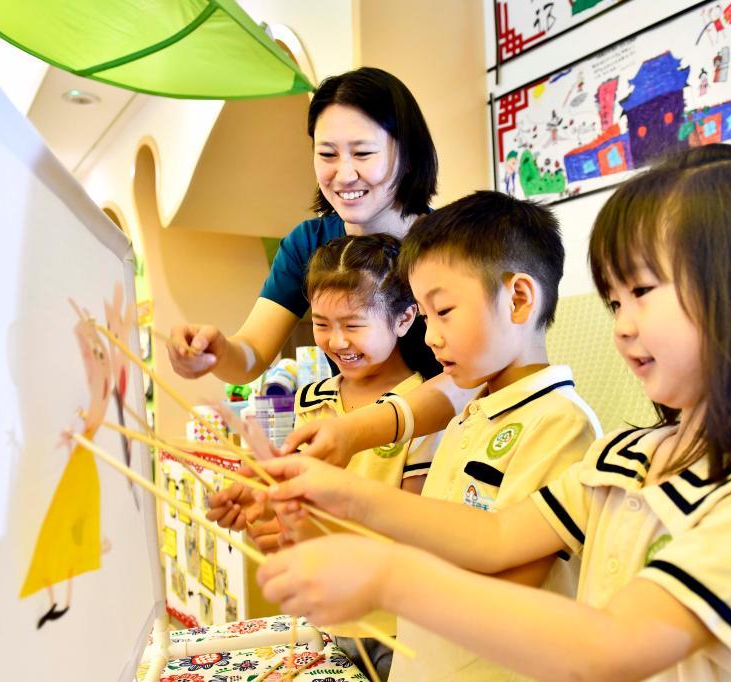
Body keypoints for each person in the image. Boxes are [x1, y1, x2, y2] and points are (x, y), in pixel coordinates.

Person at [245, 146, 731, 680]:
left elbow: (613, 645)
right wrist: (333, 492)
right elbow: (494, 536)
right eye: (614, 300)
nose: (621, 325)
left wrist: (388, 578)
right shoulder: (628, 457)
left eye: (641, 292)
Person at [213, 191, 602, 680]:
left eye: (444, 311)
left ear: (519, 299)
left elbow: (507, 594)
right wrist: (304, 516)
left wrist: (353, 554)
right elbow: (434, 538)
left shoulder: (559, 424)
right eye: (425, 314)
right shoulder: (470, 415)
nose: (431, 336)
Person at [208, 233, 443, 678]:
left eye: (353, 325)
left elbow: (417, 529)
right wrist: (264, 507)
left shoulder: (424, 409)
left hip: (394, 625)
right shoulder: (311, 399)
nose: (336, 342)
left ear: (405, 318)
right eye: (321, 323)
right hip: (324, 619)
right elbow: (296, 499)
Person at [167, 66, 441, 385]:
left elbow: (474, 375)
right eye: (327, 154)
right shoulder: (308, 244)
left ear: (408, 156)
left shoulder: (452, 246)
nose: (344, 174)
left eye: (363, 153)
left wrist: (392, 413)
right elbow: (252, 353)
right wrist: (215, 351)